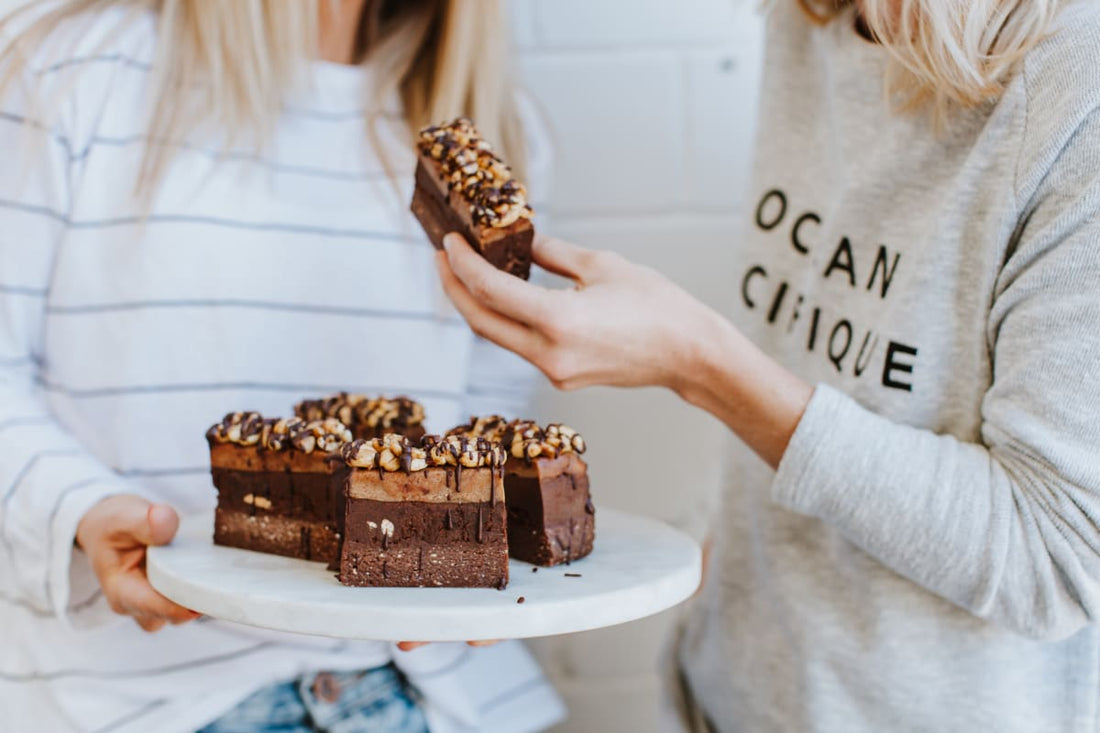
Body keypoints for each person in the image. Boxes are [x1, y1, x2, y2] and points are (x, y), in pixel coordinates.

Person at [436, 0, 1100, 730]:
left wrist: (701, 364)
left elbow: (1058, 555)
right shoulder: (814, 19)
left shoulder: (1078, 94)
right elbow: (816, 366)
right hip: (726, 695)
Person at [0, 1, 564, 731]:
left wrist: (472, 559)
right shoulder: (68, 67)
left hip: (424, 685)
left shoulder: (492, 127)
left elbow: (486, 403)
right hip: (146, 697)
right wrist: (78, 505)